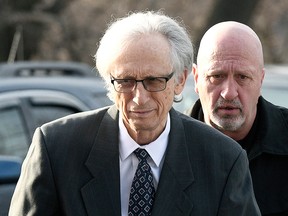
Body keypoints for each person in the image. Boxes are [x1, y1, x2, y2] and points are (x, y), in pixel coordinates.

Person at [9, 12, 260, 216]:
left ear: (180, 80)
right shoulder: (56, 149)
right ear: (110, 82)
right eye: (126, 81)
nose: (139, 97)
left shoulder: (223, 161)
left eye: (153, 81)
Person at [186, 21, 288, 215]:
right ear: (196, 78)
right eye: (217, 76)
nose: (229, 93)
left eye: (242, 77)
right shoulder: (164, 147)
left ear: (261, 80)